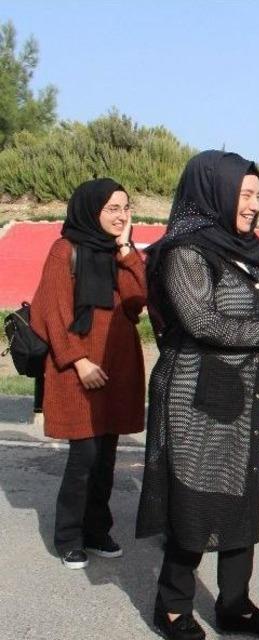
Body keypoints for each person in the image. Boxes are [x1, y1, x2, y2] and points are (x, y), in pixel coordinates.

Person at [135, 151, 259, 640]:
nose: (254, 205)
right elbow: (201, 321)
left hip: (242, 394)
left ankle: (234, 603)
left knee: (242, 494)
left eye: (258, 195)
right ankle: (174, 604)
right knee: (195, 498)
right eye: (245, 194)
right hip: (194, 393)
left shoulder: (246, 250)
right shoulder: (185, 251)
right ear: (216, 192)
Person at [30, 178, 146, 570]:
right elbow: (52, 310)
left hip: (115, 369)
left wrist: (127, 250)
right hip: (78, 371)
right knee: (84, 457)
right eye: (113, 208)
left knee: (106, 457)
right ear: (90, 209)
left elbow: (136, 303)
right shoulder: (64, 250)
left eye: (126, 208)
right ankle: (68, 537)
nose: (121, 215)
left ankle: (97, 530)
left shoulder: (117, 252)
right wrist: (78, 361)